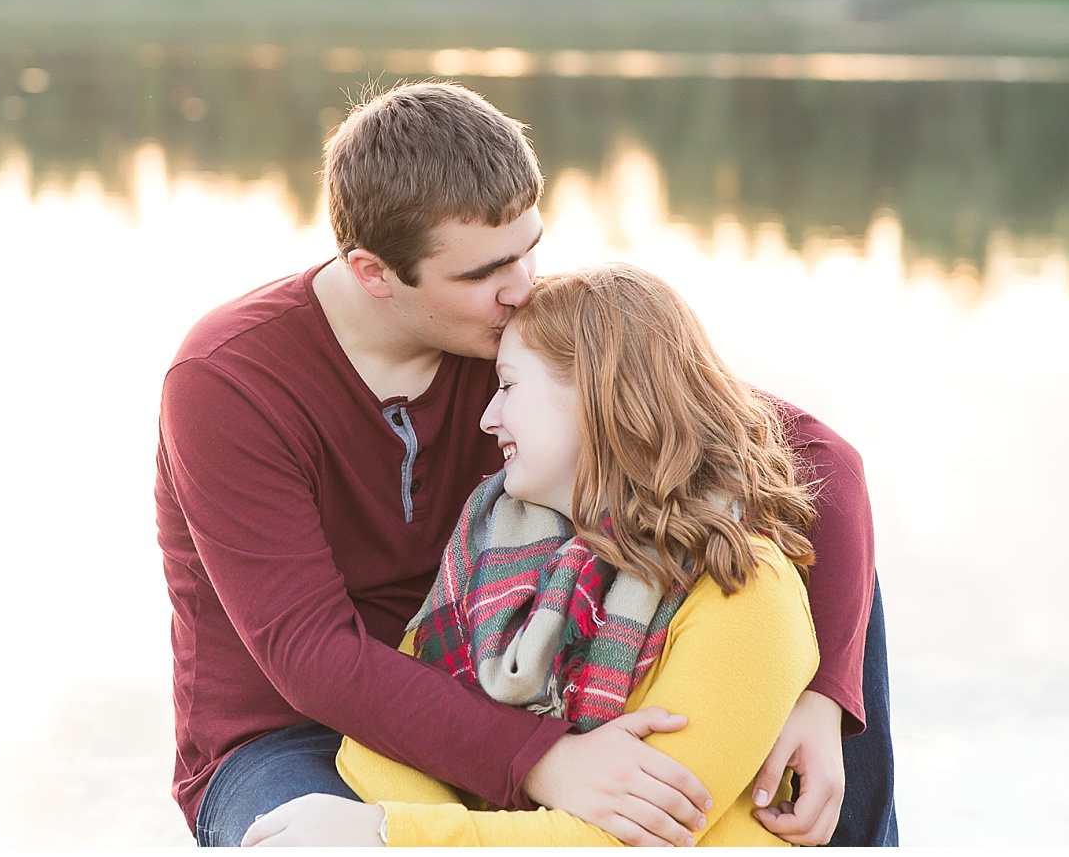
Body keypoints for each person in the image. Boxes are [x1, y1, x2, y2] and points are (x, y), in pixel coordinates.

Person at [155, 80, 896, 848]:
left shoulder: (516, 331)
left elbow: (816, 457)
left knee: (814, 560)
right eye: (482, 274)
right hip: (293, 733)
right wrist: (542, 762)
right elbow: (310, 653)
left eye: (529, 248)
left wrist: (825, 698)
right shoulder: (228, 382)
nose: (522, 288)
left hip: (509, 676)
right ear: (374, 273)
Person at [240, 262, 822, 847]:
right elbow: (384, 747)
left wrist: (394, 835)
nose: (487, 417)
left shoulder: (746, 589)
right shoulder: (495, 555)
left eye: (509, 386)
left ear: (598, 396)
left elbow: (644, 835)